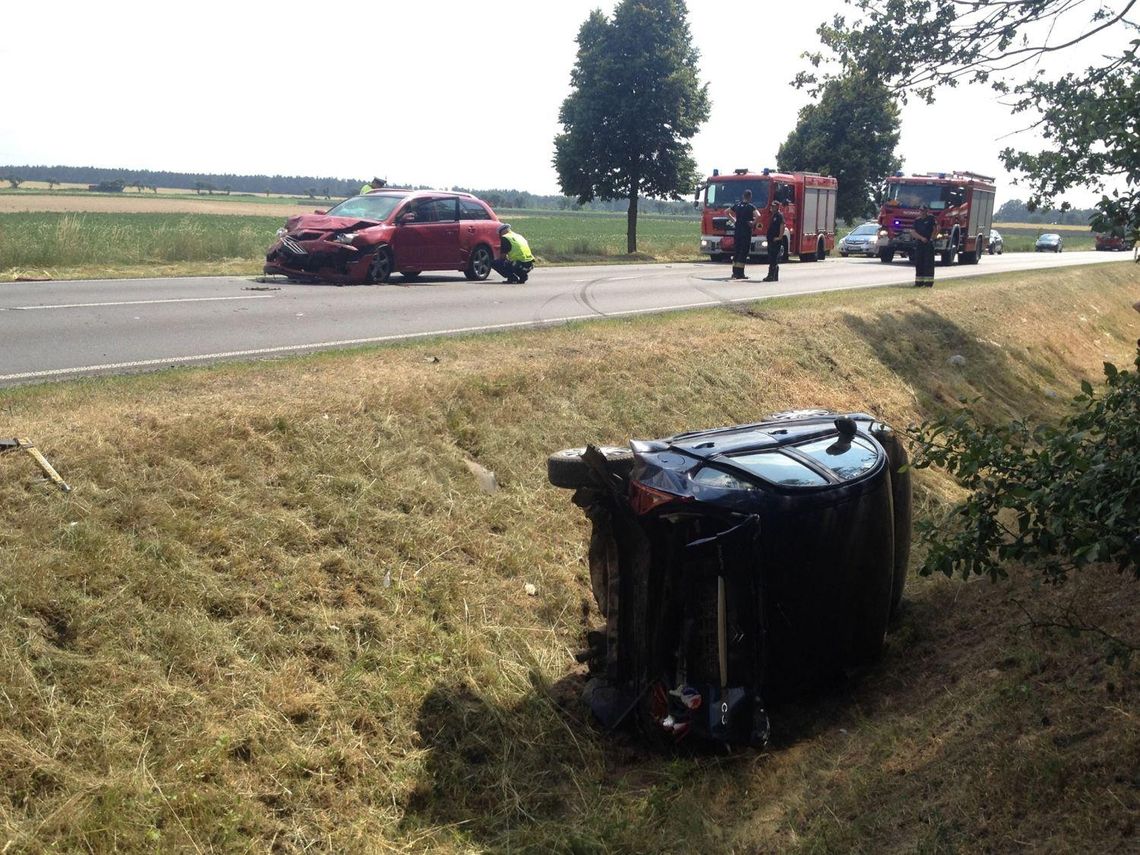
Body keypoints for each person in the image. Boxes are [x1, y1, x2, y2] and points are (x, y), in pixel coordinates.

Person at [728, 190, 760, 280]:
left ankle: (734, 272)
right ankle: (740, 273)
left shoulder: (737, 205)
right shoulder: (750, 207)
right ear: (750, 197)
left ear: (743, 196)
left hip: (737, 231)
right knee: (743, 252)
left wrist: (734, 220)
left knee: (737, 251)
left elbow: (726, 212)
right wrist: (753, 223)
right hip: (746, 232)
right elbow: (758, 215)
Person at [910, 203, 937, 287]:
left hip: (928, 244)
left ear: (926, 211)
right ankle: (919, 282)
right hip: (920, 244)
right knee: (919, 263)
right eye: (920, 210)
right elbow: (912, 232)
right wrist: (921, 238)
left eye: (923, 210)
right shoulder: (917, 221)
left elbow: (936, 228)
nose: (922, 212)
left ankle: (928, 283)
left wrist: (932, 238)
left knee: (928, 263)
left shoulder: (931, 219)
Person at [762, 200, 785, 282]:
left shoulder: (779, 216)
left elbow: (782, 226)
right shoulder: (773, 215)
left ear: (777, 207)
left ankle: (771, 275)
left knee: (773, 258)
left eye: (773, 206)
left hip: (775, 240)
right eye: (771, 206)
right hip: (771, 240)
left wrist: (779, 237)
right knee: (772, 257)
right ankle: (774, 276)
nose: (772, 207)